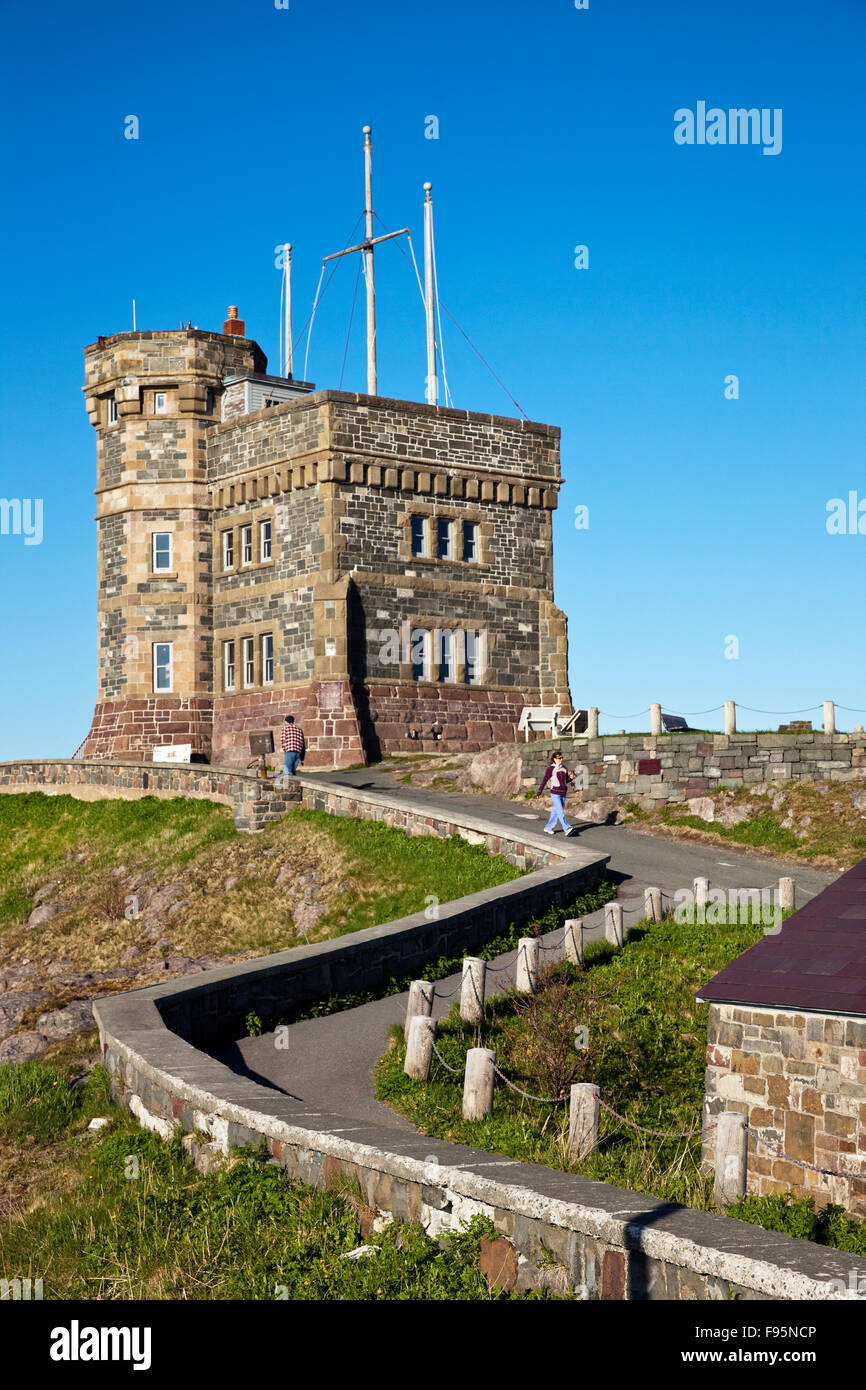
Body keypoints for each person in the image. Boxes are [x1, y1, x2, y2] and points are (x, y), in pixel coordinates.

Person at [536, 750, 575, 834]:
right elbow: (544, 780)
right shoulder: (551, 769)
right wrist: (539, 791)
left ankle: (548, 827)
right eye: (558, 758)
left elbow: (565, 781)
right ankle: (567, 828)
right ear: (554, 759)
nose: (560, 759)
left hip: (563, 793)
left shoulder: (564, 768)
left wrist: (571, 778)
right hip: (555, 793)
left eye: (561, 758)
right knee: (560, 811)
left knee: (556, 811)